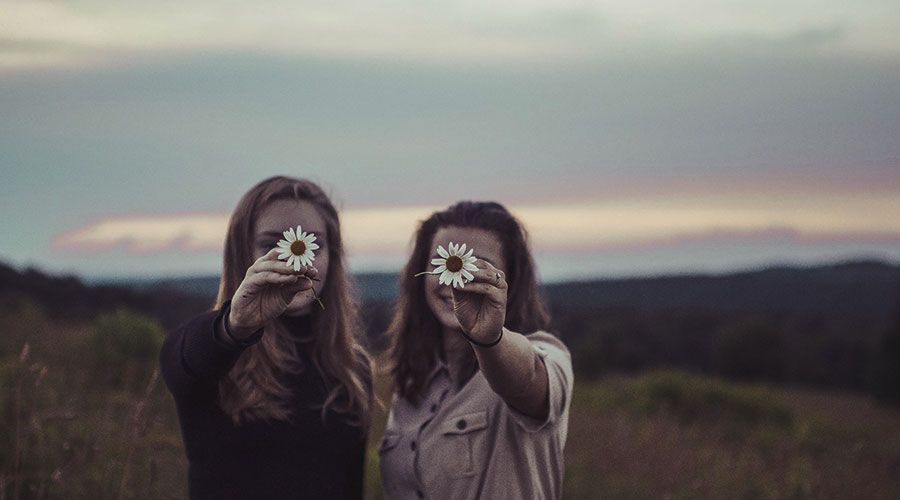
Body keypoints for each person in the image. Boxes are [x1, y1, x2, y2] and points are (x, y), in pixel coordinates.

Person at [159, 176, 372, 499]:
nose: (293, 257)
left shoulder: (353, 368)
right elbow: (180, 360)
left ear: (333, 255)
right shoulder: (216, 353)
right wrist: (234, 327)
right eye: (272, 244)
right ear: (242, 253)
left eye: (310, 243)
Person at [380, 201, 574, 499]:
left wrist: (490, 339)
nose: (456, 279)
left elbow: (529, 381)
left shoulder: (545, 354)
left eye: (477, 265)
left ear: (509, 278)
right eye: (442, 264)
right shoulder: (412, 383)